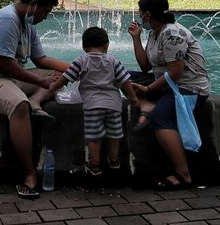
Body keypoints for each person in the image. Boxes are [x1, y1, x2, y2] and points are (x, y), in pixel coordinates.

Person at [0, 0, 70, 199]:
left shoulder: (27, 24)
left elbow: (40, 60)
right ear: (33, 5)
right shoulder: (7, 19)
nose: (45, 17)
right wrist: (40, 82)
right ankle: (29, 175)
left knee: (59, 76)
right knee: (18, 104)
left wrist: (77, 68)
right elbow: (5, 63)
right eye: (45, 11)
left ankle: (36, 101)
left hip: (10, 78)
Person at [30, 26, 148, 179]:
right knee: (115, 134)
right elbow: (124, 81)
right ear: (107, 45)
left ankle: (95, 165)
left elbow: (66, 77)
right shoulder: (113, 61)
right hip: (113, 105)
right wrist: (132, 98)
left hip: (92, 106)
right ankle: (114, 161)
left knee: (94, 137)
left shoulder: (81, 61)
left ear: (84, 47)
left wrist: (53, 86)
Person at [127, 0, 211, 190]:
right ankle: (146, 104)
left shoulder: (172, 33)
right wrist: (136, 38)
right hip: (164, 83)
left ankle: (183, 174)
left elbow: (175, 73)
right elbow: (145, 66)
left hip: (188, 87)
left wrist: (147, 88)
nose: (139, 15)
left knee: (161, 119)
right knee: (120, 75)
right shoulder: (154, 32)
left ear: (147, 15)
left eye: (140, 11)